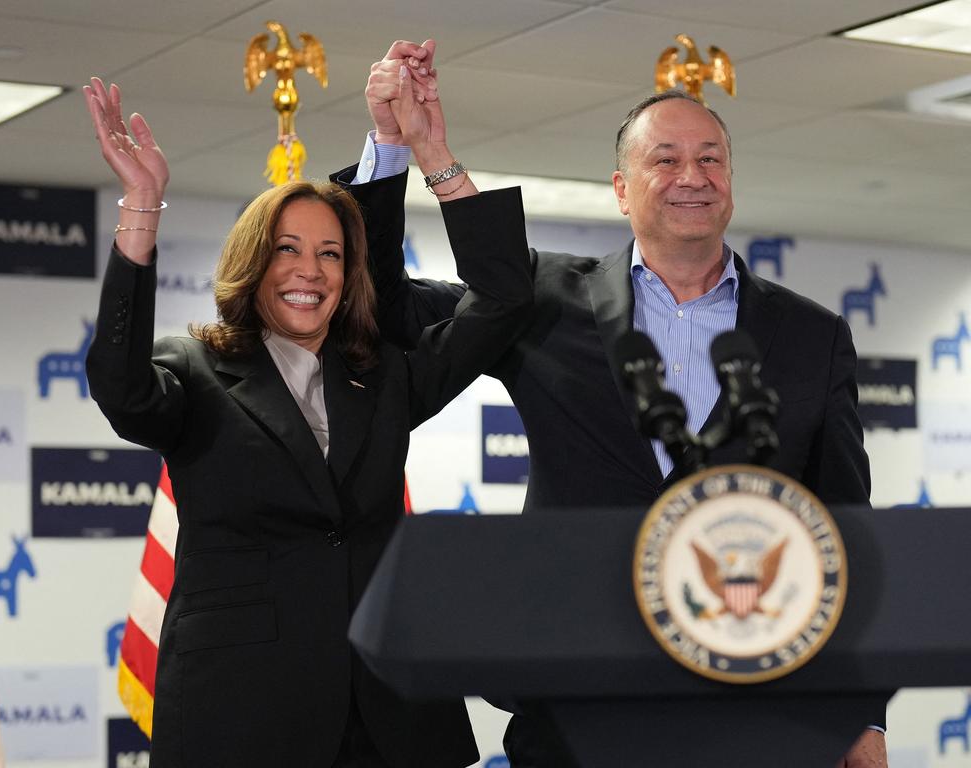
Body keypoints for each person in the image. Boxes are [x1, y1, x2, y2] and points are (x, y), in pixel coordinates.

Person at [334, 41, 889, 768]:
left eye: (711, 158)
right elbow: (389, 308)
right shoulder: (539, 302)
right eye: (664, 159)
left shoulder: (814, 335)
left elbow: (843, 530)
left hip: (753, 711)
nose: (692, 176)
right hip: (572, 710)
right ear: (622, 189)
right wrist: (398, 149)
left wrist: (861, 715)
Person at [82, 71, 531, 768]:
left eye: (331, 254)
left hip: (391, 714)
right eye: (288, 249)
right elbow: (120, 389)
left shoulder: (386, 375)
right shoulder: (195, 370)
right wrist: (143, 205)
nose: (310, 271)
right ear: (254, 263)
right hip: (243, 712)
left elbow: (503, 297)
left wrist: (433, 154)